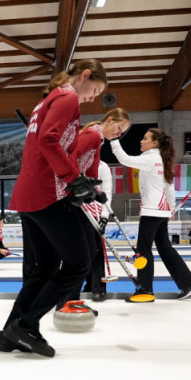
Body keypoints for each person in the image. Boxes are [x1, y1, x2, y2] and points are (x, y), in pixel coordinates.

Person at [0, 58, 108, 357]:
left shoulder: (48, 98)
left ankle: (9, 333)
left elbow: (50, 143)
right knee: (79, 263)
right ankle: (26, 326)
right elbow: (49, 141)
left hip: (30, 193)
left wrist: (80, 180)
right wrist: (73, 179)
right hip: (47, 193)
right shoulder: (67, 96)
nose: (92, 97)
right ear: (84, 75)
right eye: (94, 89)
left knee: (44, 268)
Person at [110, 128, 191, 302]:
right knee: (164, 247)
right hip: (160, 211)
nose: (141, 141)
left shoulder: (150, 158)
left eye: (145, 139)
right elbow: (169, 188)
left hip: (152, 211)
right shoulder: (161, 159)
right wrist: (171, 209)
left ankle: (145, 290)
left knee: (143, 251)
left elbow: (125, 159)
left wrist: (114, 140)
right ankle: (188, 283)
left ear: (154, 143)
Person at [63, 108, 130, 306]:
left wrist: (103, 214)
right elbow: (72, 160)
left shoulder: (101, 157)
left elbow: (105, 191)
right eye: (118, 129)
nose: (118, 134)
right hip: (77, 205)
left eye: (122, 132)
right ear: (109, 121)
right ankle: (70, 294)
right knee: (82, 252)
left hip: (92, 210)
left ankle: (95, 288)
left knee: (93, 252)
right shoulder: (93, 135)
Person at [81, 160, 115, 302]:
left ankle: (98, 288)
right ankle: (86, 285)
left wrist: (105, 215)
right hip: (78, 211)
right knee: (79, 252)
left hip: (95, 213)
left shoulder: (102, 166)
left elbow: (107, 191)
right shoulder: (76, 162)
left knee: (96, 252)